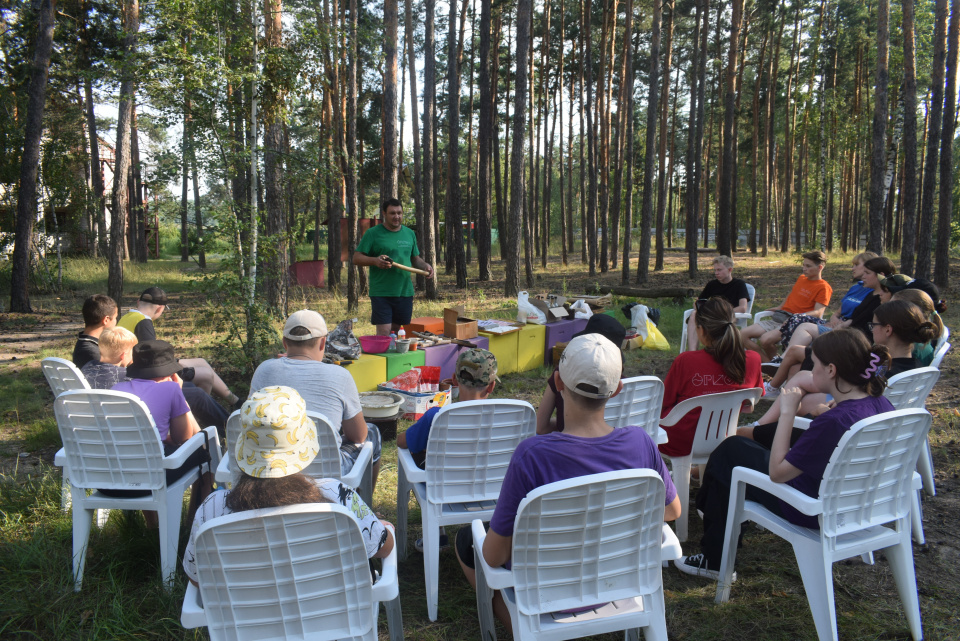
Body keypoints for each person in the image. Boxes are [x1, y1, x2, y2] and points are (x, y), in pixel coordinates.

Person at [455, 334, 681, 627]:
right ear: (617, 390)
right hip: (617, 582)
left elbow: (494, 555)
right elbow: (672, 511)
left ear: (558, 383)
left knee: (466, 540)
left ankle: (523, 628)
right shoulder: (641, 443)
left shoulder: (532, 456)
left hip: (544, 591)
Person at [675, 329, 894, 579]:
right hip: (858, 501)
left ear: (832, 370)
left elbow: (778, 473)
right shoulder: (882, 404)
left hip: (809, 506)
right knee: (752, 442)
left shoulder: (834, 422)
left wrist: (789, 411)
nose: (813, 371)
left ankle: (714, 558)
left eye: (817, 366)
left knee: (729, 451)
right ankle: (715, 507)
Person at [182, 386, 394, 586]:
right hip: (338, 620)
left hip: (244, 623)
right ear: (305, 446)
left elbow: (197, 578)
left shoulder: (212, 509)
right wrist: (386, 529)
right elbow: (383, 548)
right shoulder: (337, 497)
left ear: (244, 447)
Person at [249, 310, 382, 489]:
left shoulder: (263, 370)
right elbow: (359, 435)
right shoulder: (340, 375)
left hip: (271, 466)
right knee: (372, 432)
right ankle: (362, 507)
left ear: (284, 343)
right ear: (323, 343)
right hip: (326, 471)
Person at [398, 348, 499, 552]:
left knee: (420, 450)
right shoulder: (509, 419)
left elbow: (402, 442)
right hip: (493, 491)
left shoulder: (437, 416)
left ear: (454, 379)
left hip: (445, 490)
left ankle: (437, 534)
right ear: (491, 386)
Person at [111, 340, 214, 526]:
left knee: (140, 456)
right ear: (170, 371)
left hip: (110, 482)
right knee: (205, 459)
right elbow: (183, 438)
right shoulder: (171, 388)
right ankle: (191, 525)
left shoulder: (116, 389)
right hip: (150, 481)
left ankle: (153, 526)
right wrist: (180, 395)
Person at [763, 255, 896, 394]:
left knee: (794, 351)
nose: (863, 275)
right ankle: (786, 398)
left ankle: (775, 387)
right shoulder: (871, 295)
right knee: (794, 365)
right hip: (845, 335)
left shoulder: (882, 303)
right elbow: (855, 319)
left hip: (849, 347)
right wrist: (840, 322)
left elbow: (864, 331)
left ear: (881, 275)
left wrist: (840, 330)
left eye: (867, 273)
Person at [659, 297, 764, 458]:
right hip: (724, 438)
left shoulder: (686, 361)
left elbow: (663, 404)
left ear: (701, 330)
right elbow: (748, 406)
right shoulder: (753, 359)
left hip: (680, 443)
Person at [117, 286, 241, 408]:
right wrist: (179, 369)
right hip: (143, 372)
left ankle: (235, 401)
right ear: (160, 308)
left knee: (201, 362)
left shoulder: (127, 317)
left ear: (138, 302)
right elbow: (151, 359)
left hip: (134, 366)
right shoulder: (144, 322)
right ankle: (195, 416)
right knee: (206, 376)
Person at [352, 198, 435, 335]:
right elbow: (356, 258)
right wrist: (375, 261)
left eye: (399, 213)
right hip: (382, 292)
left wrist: (425, 266)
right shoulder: (373, 233)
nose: (396, 216)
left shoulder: (409, 234)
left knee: (396, 332)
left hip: (404, 291)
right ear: (384, 214)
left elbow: (415, 258)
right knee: (384, 333)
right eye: (392, 213)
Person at [536, 313, 626, 434]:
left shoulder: (562, 374)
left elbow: (541, 428)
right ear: (617, 389)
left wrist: (562, 424)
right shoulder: (623, 381)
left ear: (559, 382)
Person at [740, 251, 832, 361]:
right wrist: (780, 306)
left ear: (820, 267)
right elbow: (792, 293)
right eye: (803, 265)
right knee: (742, 335)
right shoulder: (802, 278)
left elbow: (818, 312)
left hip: (794, 323)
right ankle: (768, 364)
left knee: (765, 340)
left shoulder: (824, 287)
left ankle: (774, 366)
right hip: (780, 317)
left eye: (808, 266)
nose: (804, 268)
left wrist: (796, 317)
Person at [686, 255, 750, 351]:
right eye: (715, 270)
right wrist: (699, 308)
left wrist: (721, 312)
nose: (716, 273)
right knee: (694, 315)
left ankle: (716, 351)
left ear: (730, 270)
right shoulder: (712, 284)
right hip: (711, 317)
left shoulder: (739, 285)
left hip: (729, 317)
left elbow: (742, 307)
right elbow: (698, 302)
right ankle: (692, 352)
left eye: (719, 270)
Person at [72, 295, 118, 369]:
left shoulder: (84, 344)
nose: (116, 322)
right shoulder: (94, 354)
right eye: (115, 318)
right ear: (106, 320)